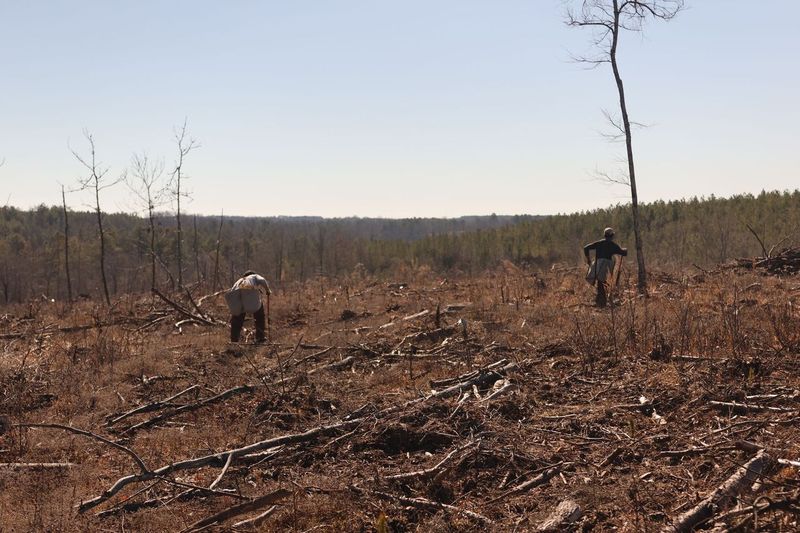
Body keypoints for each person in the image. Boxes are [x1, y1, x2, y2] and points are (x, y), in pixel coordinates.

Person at [584, 228, 627, 307]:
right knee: (605, 284)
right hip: (606, 267)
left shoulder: (599, 243)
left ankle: (600, 302)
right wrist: (625, 250)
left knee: (601, 283)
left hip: (597, 266)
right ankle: (602, 303)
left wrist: (589, 260)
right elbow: (623, 253)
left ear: (605, 235)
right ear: (612, 236)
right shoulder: (613, 245)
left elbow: (586, 248)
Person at [224, 270, 272, 343]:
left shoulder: (238, 281)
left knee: (237, 319)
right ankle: (260, 337)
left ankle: (234, 341)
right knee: (260, 316)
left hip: (237, 296)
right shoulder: (254, 276)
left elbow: (231, 294)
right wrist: (267, 290)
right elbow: (262, 280)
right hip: (249, 292)